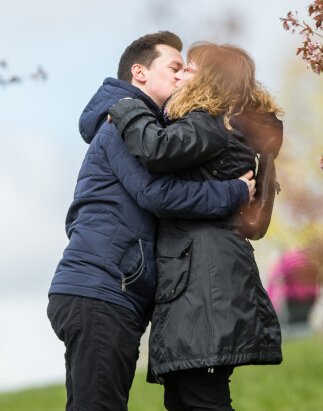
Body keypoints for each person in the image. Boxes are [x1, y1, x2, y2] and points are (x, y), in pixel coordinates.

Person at [47, 32, 256, 411]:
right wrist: (235, 193)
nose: (181, 77)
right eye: (174, 68)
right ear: (139, 72)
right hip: (101, 288)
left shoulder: (144, 127)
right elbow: (157, 195)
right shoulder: (121, 125)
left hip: (113, 291)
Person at [108, 42, 284, 411]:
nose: (181, 74)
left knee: (203, 401)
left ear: (211, 80)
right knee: (187, 400)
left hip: (205, 284)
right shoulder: (223, 124)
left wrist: (127, 108)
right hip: (200, 279)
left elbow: (156, 150)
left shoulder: (210, 121)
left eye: (190, 67)